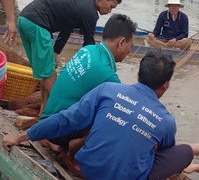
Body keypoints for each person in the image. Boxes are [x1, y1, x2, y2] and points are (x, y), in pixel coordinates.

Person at [2, 50, 193, 180]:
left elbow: (65, 119)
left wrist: (19, 137)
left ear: (137, 75)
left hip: (89, 172)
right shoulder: (166, 120)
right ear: (166, 85)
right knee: (186, 152)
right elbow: (163, 152)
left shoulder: (108, 89)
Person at [39, 14, 137, 162]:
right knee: (115, 118)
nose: (130, 51)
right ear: (122, 42)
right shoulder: (107, 74)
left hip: (48, 120)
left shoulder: (88, 50)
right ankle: (72, 153)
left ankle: (57, 141)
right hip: (58, 129)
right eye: (131, 46)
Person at [17, 0, 122, 113]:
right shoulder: (90, 12)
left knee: (45, 74)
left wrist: (55, 52)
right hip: (38, 24)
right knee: (50, 76)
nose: (110, 11)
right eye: (111, 6)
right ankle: (58, 113)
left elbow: (67, 26)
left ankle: (43, 112)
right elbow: (89, 44)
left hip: (24, 20)